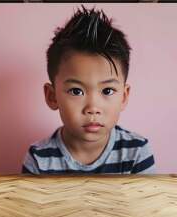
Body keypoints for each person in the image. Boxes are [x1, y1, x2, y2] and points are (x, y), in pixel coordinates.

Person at [22, 6, 155, 174]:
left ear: (123, 96)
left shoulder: (138, 151)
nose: (92, 108)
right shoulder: (37, 158)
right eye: (76, 91)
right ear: (52, 96)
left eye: (107, 91)